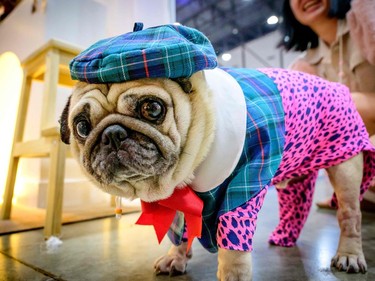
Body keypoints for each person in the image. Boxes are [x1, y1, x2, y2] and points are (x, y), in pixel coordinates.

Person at [278, 0, 375, 211]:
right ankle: (356, 192)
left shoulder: (366, 20)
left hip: (365, 157)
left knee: (345, 106)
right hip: (356, 171)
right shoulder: (305, 66)